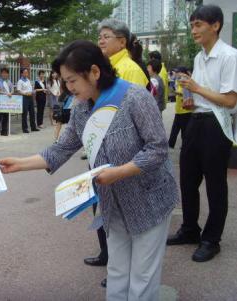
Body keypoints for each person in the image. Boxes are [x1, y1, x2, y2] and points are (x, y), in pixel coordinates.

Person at [0, 40, 177, 300]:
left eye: (72, 81)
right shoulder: (81, 107)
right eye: (64, 82)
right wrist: (19, 164)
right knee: (116, 271)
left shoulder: (135, 98)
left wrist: (118, 172)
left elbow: (158, 149)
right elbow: (61, 149)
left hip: (150, 200)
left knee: (142, 277)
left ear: (94, 72)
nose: (68, 89)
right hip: (114, 203)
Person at [167, 5, 237, 262]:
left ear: (215, 25)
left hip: (216, 125)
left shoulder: (230, 56)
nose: (193, 30)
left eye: (198, 24)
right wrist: (190, 98)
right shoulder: (199, 57)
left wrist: (196, 87)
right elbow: (202, 94)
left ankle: (211, 239)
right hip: (194, 120)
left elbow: (230, 101)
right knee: (187, 179)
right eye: (192, 25)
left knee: (215, 184)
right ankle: (189, 229)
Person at [90, 18, 150, 283]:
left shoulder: (129, 69)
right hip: (102, 150)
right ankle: (108, 257)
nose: (101, 40)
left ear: (122, 41)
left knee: (119, 212)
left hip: (121, 156)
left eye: (107, 36)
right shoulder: (106, 68)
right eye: (100, 36)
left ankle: (117, 267)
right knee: (104, 208)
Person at [98, 18, 149, 88]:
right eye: (99, 38)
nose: (101, 42)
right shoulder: (102, 67)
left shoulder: (132, 71)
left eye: (106, 37)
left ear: (122, 42)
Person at [168, 67, 192, 148]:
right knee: (175, 129)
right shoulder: (179, 81)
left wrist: (178, 93)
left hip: (185, 111)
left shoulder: (186, 82)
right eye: (176, 72)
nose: (176, 73)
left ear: (183, 73)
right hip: (179, 110)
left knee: (183, 130)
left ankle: (184, 145)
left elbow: (189, 95)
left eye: (178, 72)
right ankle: (170, 145)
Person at [0, 67, 14, 137]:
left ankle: (4, 131)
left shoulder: (9, 82)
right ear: (1, 74)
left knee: (6, 116)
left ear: (8, 74)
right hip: (0, 101)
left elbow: (12, 90)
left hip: (7, 101)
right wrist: (6, 93)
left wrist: (11, 93)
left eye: (6, 73)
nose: (4, 74)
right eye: (3, 73)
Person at [16, 68, 39, 133]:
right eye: (25, 72)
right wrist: (25, 93)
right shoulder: (20, 81)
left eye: (27, 72)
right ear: (21, 73)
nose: (26, 74)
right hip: (24, 98)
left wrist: (32, 92)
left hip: (30, 97)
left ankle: (33, 127)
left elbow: (30, 89)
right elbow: (18, 91)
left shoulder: (28, 80)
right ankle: (25, 128)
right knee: (25, 113)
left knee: (32, 113)